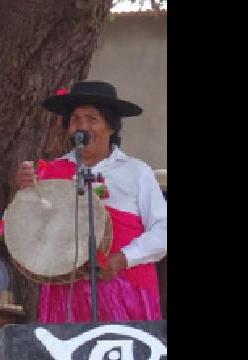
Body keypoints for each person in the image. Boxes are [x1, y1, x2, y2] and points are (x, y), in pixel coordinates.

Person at [14, 80, 167, 322]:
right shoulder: (50, 173)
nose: (82, 127)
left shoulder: (136, 172)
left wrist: (122, 259)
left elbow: (163, 231)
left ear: (111, 127)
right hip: (66, 297)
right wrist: (27, 194)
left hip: (127, 291)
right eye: (75, 119)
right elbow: (30, 233)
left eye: (92, 119)